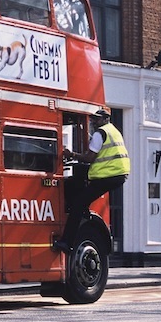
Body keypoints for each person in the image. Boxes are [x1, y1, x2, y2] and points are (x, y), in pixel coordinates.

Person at [55, 107, 130, 253]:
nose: (94, 122)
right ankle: (84, 212)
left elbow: (89, 158)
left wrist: (72, 155)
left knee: (77, 203)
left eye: (97, 119)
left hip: (108, 175)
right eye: (94, 119)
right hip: (118, 175)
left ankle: (66, 242)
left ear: (105, 119)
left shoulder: (100, 133)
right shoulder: (114, 131)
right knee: (81, 194)